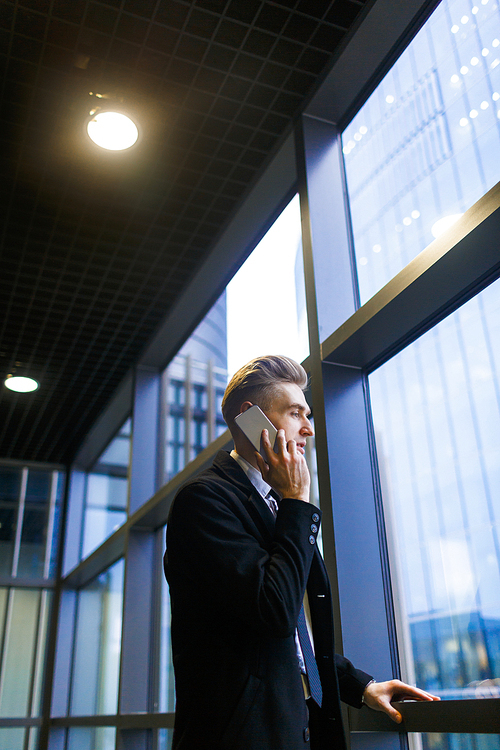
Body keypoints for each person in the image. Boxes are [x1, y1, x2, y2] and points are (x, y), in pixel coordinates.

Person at [164, 355, 438, 749]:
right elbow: (272, 610)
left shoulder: (276, 503)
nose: (308, 429)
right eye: (296, 413)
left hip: (302, 723)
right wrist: (296, 499)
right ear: (251, 416)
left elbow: (296, 632)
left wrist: (360, 686)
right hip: (243, 736)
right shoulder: (205, 500)